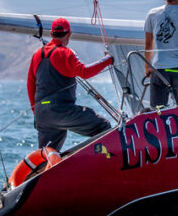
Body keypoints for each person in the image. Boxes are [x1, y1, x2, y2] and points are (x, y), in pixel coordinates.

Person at [26, 17, 114, 150]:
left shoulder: (37, 55)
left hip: (41, 114)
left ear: (51, 34)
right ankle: (103, 163)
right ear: (69, 34)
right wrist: (108, 59)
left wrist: (37, 112)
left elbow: (30, 85)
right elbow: (84, 72)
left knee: (47, 155)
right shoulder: (65, 53)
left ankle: (44, 169)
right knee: (103, 126)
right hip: (60, 110)